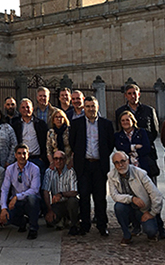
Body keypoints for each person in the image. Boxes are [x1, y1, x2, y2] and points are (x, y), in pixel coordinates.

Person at [68, 96, 115, 236]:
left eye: (93, 106)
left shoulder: (106, 124)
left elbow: (110, 143)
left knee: (100, 197)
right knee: (84, 196)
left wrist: (103, 156)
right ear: (84, 108)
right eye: (87, 106)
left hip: (99, 165)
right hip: (84, 165)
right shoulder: (76, 124)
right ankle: (85, 225)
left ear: (97, 107)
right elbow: (73, 143)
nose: (90, 109)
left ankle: (102, 225)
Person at [108, 151, 165, 245]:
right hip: (129, 206)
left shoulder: (140, 173)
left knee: (151, 231)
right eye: (117, 163)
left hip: (144, 209)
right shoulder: (111, 175)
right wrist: (131, 199)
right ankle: (127, 235)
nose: (120, 165)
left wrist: (152, 213)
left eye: (123, 161)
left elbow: (156, 194)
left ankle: (153, 227)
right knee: (118, 207)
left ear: (128, 161)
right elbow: (114, 195)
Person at [115, 84, 160, 183]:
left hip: (147, 155)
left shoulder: (149, 110)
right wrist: (133, 147)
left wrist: (145, 144)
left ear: (139, 94)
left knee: (150, 188)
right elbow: (119, 132)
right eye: (129, 94)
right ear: (125, 96)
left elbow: (154, 131)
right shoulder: (120, 111)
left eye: (134, 93)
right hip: (127, 158)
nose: (132, 96)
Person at [0, 144, 42, 240]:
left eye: (24, 153)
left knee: (32, 198)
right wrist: (3, 208)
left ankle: (33, 228)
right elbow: (5, 189)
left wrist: (17, 197)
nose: (22, 156)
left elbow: (34, 190)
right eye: (19, 153)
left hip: (30, 201)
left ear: (28, 155)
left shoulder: (35, 169)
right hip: (17, 202)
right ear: (15, 155)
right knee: (6, 218)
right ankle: (22, 222)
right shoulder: (10, 169)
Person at [41, 151, 80, 234]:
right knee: (50, 221)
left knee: (73, 201)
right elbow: (45, 191)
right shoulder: (49, 172)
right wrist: (49, 210)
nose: (58, 161)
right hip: (57, 204)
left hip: (68, 201)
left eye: (61, 159)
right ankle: (62, 219)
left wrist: (61, 194)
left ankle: (73, 224)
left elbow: (75, 192)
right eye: (56, 159)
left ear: (65, 160)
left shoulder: (70, 171)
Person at [11, 98, 49, 175]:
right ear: (20, 110)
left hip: (37, 159)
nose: (26, 109)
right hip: (22, 160)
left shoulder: (41, 124)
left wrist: (43, 158)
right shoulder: (15, 125)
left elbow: (46, 141)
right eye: (23, 107)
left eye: (28, 107)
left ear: (32, 108)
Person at [114, 110, 155, 181]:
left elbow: (146, 148)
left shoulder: (141, 132)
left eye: (127, 120)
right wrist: (134, 147)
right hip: (127, 168)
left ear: (132, 121)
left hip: (143, 166)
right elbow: (120, 149)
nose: (125, 122)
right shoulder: (118, 136)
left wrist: (130, 152)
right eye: (123, 120)